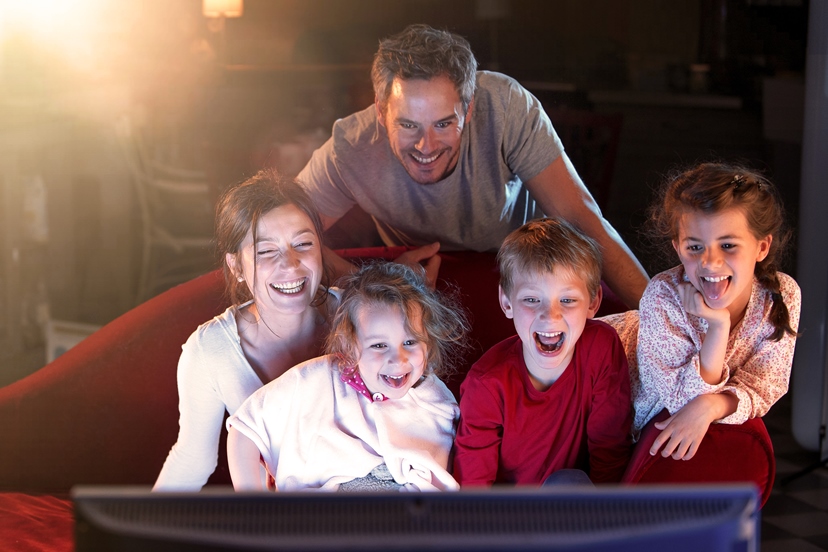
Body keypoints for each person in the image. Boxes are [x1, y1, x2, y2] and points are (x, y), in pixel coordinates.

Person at [297, 24, 648, 308]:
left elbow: (585, 223)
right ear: (380, 111)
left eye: (443, 124)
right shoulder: (350, 145)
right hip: (420, 283)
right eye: (408, 125)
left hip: (522, 271)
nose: (426, 146)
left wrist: (666, 326)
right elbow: (280, 234)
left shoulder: (507, 107)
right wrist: (370, 285)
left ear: (468, 108)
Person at [154, 169, 339, 491]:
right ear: (236, 266)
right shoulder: (211, 351)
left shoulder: (359, 317)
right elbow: (192, 459)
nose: (291, 264)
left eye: (303, 243)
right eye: (266, 251)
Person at [604, 162, 801, 461]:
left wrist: (712, 406)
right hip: (587, 385)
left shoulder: (781, 295)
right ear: (677, 247)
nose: (710, 262)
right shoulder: (663, 295)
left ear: (761, 247)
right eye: (695, 248)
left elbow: (765, 384)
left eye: (728, 245)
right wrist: (718, 326)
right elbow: (679, 401)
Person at [226, 262, 468, 491]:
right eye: (379, 345)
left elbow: (434, 490)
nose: (399, 359)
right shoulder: (315, 379)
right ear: (350, 345)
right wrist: (254, 505)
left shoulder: (436, 403)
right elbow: (244, 429)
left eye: (410, 342)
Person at [452, 218, 632, 486]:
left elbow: (610, 448)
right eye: (532, 300)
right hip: (507, 512)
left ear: (593, 302)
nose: (550, 316)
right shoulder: (487, 383)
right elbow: (473, 484)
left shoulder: (601, 348)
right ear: (506, 302)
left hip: (573, 505)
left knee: (568, 482)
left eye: (568, 300)